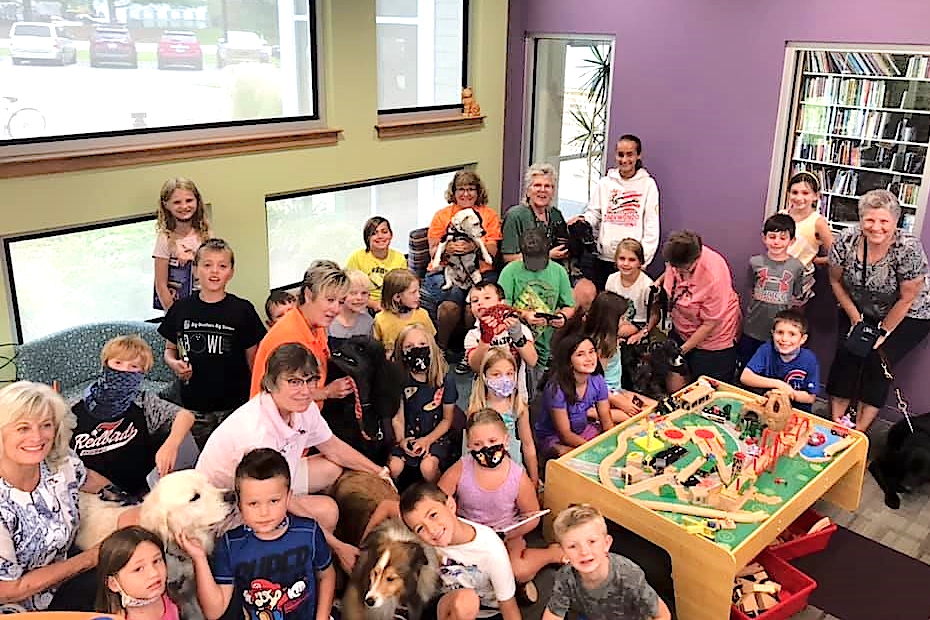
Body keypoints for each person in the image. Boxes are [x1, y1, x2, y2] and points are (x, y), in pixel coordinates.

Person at [196, 343, 390, 572]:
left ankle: (309, 540)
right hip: (229, 508)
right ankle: (304, 566)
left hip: (271, 481)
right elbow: (271, 496)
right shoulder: (258, 434)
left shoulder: (303, 408)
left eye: (310, 381)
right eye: (294, 382)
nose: (306, 391)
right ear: (271, 383)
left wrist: (380, 472)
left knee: (331, 467)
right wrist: (339, 547)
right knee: (327, 511)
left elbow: (333, 447)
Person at [181, 449, 335, 620]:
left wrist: (322, 617)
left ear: (288, 497)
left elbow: (326, 575)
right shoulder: (230, 544)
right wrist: (199, 558)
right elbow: (214, 611)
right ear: (239, 504)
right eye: (253, 503)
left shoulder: (308, 532)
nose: (264, 512)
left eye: (274, 501)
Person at [0, 381, 114, 611]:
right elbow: (7, 590)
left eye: (46, 425)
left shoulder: (60, 462)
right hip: (18, 606)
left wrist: (132, 503)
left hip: (64, 579)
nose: (37, 437)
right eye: (23, 428)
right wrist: (92, 557)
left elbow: (88, 479)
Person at [826, 189, 930, 431]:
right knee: (847, 353)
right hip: (860, 306)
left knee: (876, 362)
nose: (876, 227)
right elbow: (834, 281)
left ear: (895, 222)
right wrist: (855, 319)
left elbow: (907, 298)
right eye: (870, 220)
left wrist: (882, 333)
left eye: (884, 221)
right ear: (861, 219)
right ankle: (836, 425)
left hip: (909, 311)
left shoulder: (908, 248)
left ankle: (858, 433)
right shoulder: (846, 240)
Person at [439, 409, 561, 603]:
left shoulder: (517, 477)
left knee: (518, 571)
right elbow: (437, 500)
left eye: (492, 442)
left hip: (506, 537)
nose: (485, 448)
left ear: (506, 440)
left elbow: (533, 517)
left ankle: (550, 554)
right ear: (469, 444)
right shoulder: (461, 468)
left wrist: (508, 535)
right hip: (470, 535)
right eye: (478, 444)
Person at [159, 239, 266, 448]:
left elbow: (254, 360)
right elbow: (169, 351)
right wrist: (174, 364)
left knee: (236, 457)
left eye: (222, 266)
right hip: (193, 408)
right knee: (201, 462)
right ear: (196, 270)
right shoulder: (181, 309)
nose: (214, 271)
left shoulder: (243, 310)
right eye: (207, 265)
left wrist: (258, 400)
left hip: (235, 406)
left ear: (231, 272)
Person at [71, 335, 196, 496]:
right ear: (105, 364)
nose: (124, 370)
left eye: (134, 366)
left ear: (142, 373)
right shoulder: (75, 407)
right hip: (91, 495)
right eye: (118, 363)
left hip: (139, 492)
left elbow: (185, 416)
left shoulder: (143, 401)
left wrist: (170, 445)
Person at [400, 482, 520, 620]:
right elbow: (390, 508)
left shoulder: (491, 550)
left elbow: (509, 606)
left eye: (433, 515)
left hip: (486, 612)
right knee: (464, 601)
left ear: (450, 505)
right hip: (446, 602)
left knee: (467, 601)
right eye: (420, 528)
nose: (432, 530)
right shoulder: (425, 539)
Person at [250, 264, 355, 408]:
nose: (336, 309)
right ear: (308, 295)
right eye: (330, 300)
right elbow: (282, 395)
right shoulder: (288, 336)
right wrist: (327, 392)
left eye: (341, 302)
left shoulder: (317, 324)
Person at [543, 504, 671, 620]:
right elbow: (553, 615)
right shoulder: (566, 577)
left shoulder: (629, 575)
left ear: (606, 543)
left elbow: (662, 615)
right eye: (572, 546)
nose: (584, 552)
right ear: (563, 552)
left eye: (592, 542)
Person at [425, 169, 503, 356]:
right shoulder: (442, 216)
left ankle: (471, 350)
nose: (466, 194)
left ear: (478, 192)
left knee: (474, 306)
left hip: (480, 270)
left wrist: (474, 247)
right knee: (449, 307)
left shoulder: (489, 215)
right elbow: (433, 251)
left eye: (471, 189)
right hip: (447, 269)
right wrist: (449, 248)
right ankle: (441, 348)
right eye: (461, 189)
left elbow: (492, 250)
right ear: (453, 192)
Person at [572, 135, 660, 290]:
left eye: (629, 154)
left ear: (638, 155)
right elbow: (594, 214)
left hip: (631, 261)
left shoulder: (648, 185)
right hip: (604, 259)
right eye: (620, 154)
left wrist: (643, 259)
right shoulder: (605, 183)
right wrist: (582, 221)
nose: (624, 160)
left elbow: (652, 226)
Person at [661, 230, 741, 385]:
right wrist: (658, 284)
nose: (676, 271)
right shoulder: (677, 256)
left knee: (705, 390)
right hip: (681, 329)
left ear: (694, 259)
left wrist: (682, 351)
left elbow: (710, 323)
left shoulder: (714, 277)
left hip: (712, 341)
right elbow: (671, 270)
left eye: (682, 269)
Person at [498, 227, 575, 369]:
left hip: (547, 338)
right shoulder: (510, 271)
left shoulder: (558, 271)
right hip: (516, 339)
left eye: (540, 260)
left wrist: (562, 317)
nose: (536, 265)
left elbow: (569, 306)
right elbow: (501, 307)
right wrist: (525, 315)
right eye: (531, 261)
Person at [572, 291, 655, 422]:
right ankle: (590, 413)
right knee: (644, 416)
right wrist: (620, 402)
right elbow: (594, 383)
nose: (625, 322)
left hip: (615, 390)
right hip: (603, 395)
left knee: (654, 407)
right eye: (622, 319)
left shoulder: (610, 338)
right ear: (610, 320)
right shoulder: (601, 346)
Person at [388, 324, 456, 482]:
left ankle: (438, 493)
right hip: (408, 435)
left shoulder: (445, 378)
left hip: (435, 436)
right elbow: (398, 417)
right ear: (401, 352)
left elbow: (447, 420)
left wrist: (427, 440)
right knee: (394, 466)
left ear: (432, 347)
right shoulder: (399, 379)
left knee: (427, 467)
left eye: (422, 345)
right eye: (409, 346)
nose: (417, 349)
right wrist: (402, 440)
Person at [738, 214, 805, 367]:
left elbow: (796, 295)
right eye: (772, 237)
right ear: (764, 238)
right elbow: (751, 288)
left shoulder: (797, 266)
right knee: (747, 364)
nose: (776, 242)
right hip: (753, 326)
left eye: (782, 238)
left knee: (772, 367)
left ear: (792, 240)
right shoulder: (755, 262)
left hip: (780, 331)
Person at [467, 348, 539, 486]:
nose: (504, 379)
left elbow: (528, 444)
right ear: (484, 376)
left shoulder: (518, 407)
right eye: (496, 374)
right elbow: (468, 449)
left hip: (513, 468)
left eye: (509, 374)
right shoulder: (476, 409)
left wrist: (534, 479)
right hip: (483, 472)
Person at [536, 333, 614, 458]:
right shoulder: (556, 389)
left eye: (591, 352)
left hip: (582, 430)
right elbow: (565, 434)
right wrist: (593, 449)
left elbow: (606, 420)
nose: (589, 358)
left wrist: (610, 444)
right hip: (554, 438)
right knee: (576, 457)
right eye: (580, 354)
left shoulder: (597, 380)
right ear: (569, 361)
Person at [464, 281, 538, 396]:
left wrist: (518, 337)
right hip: (485, 396)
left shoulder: (519, 328)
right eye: (475, 301)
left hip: (517, 395)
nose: (480, 303)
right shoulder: (473, 335)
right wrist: (485, 339)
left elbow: (532, 360)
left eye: (487, 298)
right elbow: (476, 367)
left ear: (501, 302)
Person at [740, 309, 819, 412]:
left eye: (792, 334)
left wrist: (789, 394)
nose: (784, 339)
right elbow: (745, 377)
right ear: (773, 333)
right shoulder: (766, 349)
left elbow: (810, 397)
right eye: (780, 332)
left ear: (803, 339)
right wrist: (779, 384)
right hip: (769, 407)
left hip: (796, 411)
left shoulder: (810, 359)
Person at [153, 178, 212, 312]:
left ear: (197, 201)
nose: (184, 206)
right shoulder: (165, 239)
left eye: (189, 201)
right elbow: (161, 284)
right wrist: (173, 315)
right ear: (166, 205)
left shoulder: (205, 233)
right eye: (177, 202)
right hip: (179, 309)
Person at [95, 526, 179, 620]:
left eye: (156, 561)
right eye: (138, 569)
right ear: (113, 583)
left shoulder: (169, 598)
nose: (154, 573)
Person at [501, 163, 569, 265]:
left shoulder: (555, 214)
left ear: (553, 192)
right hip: (522, 274)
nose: (542, 190)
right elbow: (508, 258)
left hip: (553, 272)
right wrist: (547, 256)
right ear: (528, 191)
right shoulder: (515, 215)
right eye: (537, 185)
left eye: (547, 186)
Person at [782, 170, 834, 302]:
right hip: (777, 273)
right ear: (788, 193)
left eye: (805, 193)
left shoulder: (818, 222)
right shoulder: (781, 215)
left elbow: (835, 255)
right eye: (795, 192)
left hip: (799, 280)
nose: (799, 198)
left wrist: (815, 260)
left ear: (815, 196)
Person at [345, 216, 409, 313]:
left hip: (392, 305)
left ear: (391, 235)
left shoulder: (400, 258)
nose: (380, 236)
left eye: (384, 232)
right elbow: (348, 291)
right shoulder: (357, 258)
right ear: (367, 238)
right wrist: (374, 304)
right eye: (374, 233)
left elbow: (403, 288)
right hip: (364, 305)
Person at [604, 238, 660, 344]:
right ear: (616, 260)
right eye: (622, 258)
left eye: (632, 260)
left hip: (637, 323)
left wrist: (642, 333)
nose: (626, 263)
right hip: (615, 321)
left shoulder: (647, 286)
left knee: (618, 331)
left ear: (640, 262)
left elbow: (655, 315)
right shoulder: (611, 279)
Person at [374, 268, 436, 355]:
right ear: (397, 297)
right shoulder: (380, 320)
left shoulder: (422, 315)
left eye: (418, 291)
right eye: (413, 292)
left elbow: (432, 343)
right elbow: (376, 349)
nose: (418, 295)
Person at [328, 269, 374, 341]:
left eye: (364, 293)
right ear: (341, 294)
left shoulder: (368, 322)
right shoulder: (328, 322)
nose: (359, 297)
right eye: (353, 293)